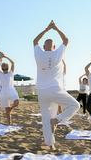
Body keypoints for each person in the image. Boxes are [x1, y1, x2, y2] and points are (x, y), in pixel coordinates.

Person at [33, 20, 80, 150]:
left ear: (44, 46)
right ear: (54, 47)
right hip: (55, 90)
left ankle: (50, 144)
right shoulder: (57, 53)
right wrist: (56, 28)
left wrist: (46, 29)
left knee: (46, 119)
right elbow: (66, 40)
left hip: (42, 92)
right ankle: (58, 119)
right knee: (75, 105)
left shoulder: (39, 54)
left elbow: (34, 41)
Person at [0, 54, 19, 125]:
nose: (4, 66)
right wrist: (0, 58)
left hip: (11, 90)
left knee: (16, 102)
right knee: (7, 110)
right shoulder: (0, 73)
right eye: (3, 65)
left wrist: (6, 57)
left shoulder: (11, 72)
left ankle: (11, 108)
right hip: (4, 91)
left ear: (7, 67)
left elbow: (13, 63)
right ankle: (9, 123)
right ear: (2, 67)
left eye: (5, 65)